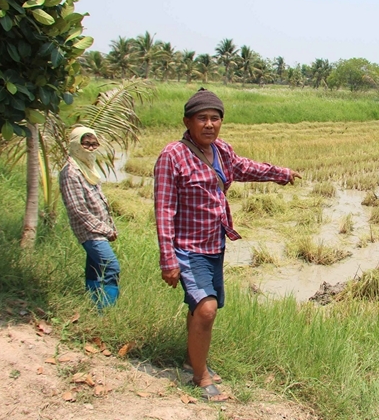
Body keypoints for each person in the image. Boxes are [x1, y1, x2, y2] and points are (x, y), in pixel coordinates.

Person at [154, 88, 301, 402]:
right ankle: (200, 376)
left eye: (215, 118)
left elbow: (245, 168)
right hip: (187, 247)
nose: (209, 124)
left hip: (214, 244)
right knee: (207, 310)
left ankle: (192, 360)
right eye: (202, 118)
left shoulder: (221, 150)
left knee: (200, 307)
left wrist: (281, 173)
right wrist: (168, 259)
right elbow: (164, 209)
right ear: (187, 122)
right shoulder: (172, 155)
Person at [59, 127, 120, 309]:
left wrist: (110, 225)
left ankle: (92, 303)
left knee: (94, 269)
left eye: (94, 144)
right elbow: (78, 210)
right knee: (111, 267)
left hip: (98, 229)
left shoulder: (86, 168)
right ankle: (106, 310)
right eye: (86, 144)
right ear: (75, 145)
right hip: (89, 232)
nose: (91, 148)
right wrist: (106, 230)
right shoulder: (71, 172)